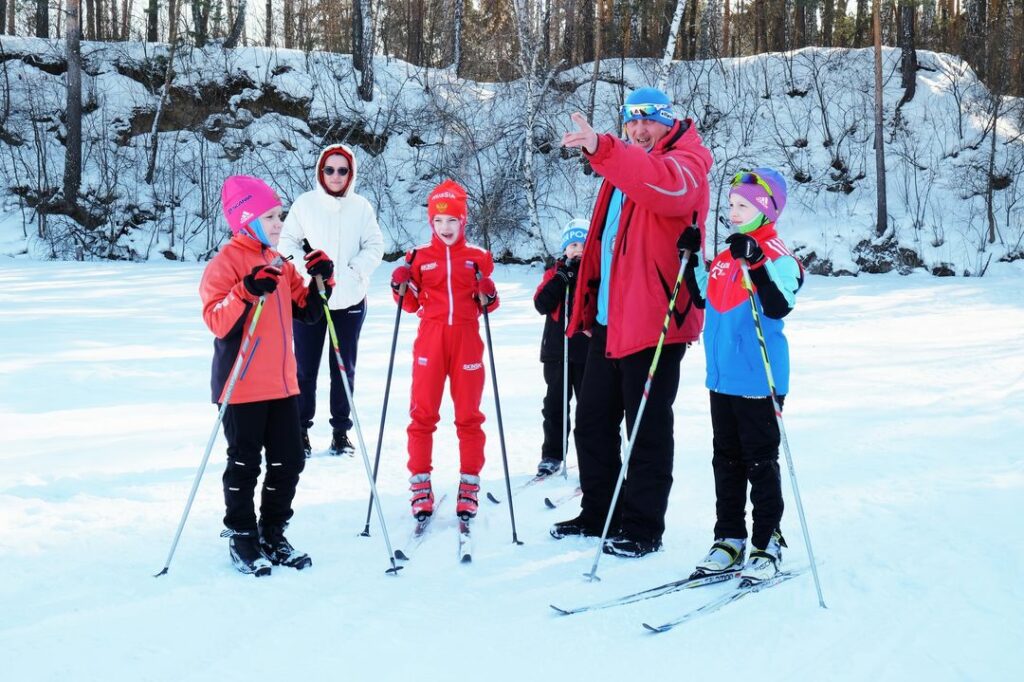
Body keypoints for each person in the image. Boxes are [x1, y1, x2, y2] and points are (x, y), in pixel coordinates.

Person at [552, 86, 712, 558]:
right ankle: (600, 513)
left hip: (656, 319)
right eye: (632, 122)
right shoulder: (624, 164)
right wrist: (585, 303)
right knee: (592, 421)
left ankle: (643, 528)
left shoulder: (688, 162)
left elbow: (659, 186)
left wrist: (604, 147)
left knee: (645, 428)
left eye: (649, 121)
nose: (639, 130)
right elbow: (605, 239)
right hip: (609, 318)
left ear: (668, 121)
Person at [200, 175, 335, 576]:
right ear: (246, 218)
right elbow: (216, 322)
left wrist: (321, 278)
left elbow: (310, 311)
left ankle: (273, 531)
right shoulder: (224, 264)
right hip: (240, 384)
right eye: (271, 216)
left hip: (282, 384)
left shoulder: (279, 262)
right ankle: (242, 536)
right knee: (244, 463)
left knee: (289, 460)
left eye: (280, 216)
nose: (280, 223)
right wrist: (245, 291)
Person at [679, 167, 804, 583]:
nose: (732, 213)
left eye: (743, 206)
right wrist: (693, 256)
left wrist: (756, 262)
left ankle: (766, 542)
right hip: (721, 378)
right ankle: (728, 538)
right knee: (726, 461)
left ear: (766, 210)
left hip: (757, 379)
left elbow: (779, 304)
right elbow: (703, 295)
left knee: (760, 462)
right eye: (731, 205)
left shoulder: (777, 254)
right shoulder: (727, 255)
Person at [389, 180, 499, 521]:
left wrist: (488, 292)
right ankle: (420, 484)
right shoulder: (419, 257)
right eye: (438, 221)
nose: (445, 227)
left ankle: (469, 483)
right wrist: (399, 285)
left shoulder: (478, 257)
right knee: (422, 415)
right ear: (430, 223)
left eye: (452, 220)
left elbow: (488, 306)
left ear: (463, 220)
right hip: (431, 339)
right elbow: (408, 304)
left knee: (469, 416)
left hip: (466, 339)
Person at [279, 144, 384, 458]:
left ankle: (341, 432)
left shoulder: (361, 207)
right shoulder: (305, 204)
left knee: (343, 368)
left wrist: (354, 271)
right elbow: (287, 242)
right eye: (330, 169)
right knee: (304, 369)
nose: (336, 176)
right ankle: (300, 430)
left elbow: (375, 246)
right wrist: (305, 267)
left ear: (350, 173)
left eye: (342, 170)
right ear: (320, 171)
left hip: (349, 298)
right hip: (310, 297)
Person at [532, 218, 590, 477]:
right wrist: (561, 278)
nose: (578, 250)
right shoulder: (555, 272)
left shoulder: (594, 272)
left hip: (586, 351)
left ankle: (592, 457)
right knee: (555, 405)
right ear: (565, 248)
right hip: (557, 352)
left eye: (583, 244)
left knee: (590, 407)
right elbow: (541, 303)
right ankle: (552, 455)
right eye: (573, 244)